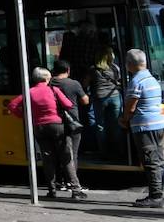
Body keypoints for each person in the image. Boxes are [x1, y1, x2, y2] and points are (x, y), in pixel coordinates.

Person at [9, 67, 83, 200]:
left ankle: (52, 190)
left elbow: (12, 105)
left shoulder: (29, 92)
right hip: (57, 126)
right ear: (46, 78)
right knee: (66, 158)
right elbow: (68, 105)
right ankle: (75, 190)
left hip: (39, 127)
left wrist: (26, 116)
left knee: (48, 159)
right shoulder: (53, 90)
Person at [119, 48, 164, 208]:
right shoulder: (153, 79)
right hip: (158, 124)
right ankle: (158, 192)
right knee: (159, 159)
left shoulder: (136, 81)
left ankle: (156, 196)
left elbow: (130, 108)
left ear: (129, 64)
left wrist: (124, 120)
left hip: (145, 126)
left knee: (150, 161)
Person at [50, 60, 92, 187]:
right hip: (72, 122)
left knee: (56, 152)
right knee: (72, 153)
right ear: (68, 70)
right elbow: (85, 101)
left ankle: (59, 181)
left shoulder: (49, 83)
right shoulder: (73, 84)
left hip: (55, 122)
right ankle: (71, 182)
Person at [89, 46, 124, 158]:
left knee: (100, 125)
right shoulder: (115, 68)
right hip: (114, 97)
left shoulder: (93, 69)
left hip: (99, 98)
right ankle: (118, 150)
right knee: (116, 124)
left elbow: (85, 83)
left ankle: (104, 152)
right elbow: (118, 81)